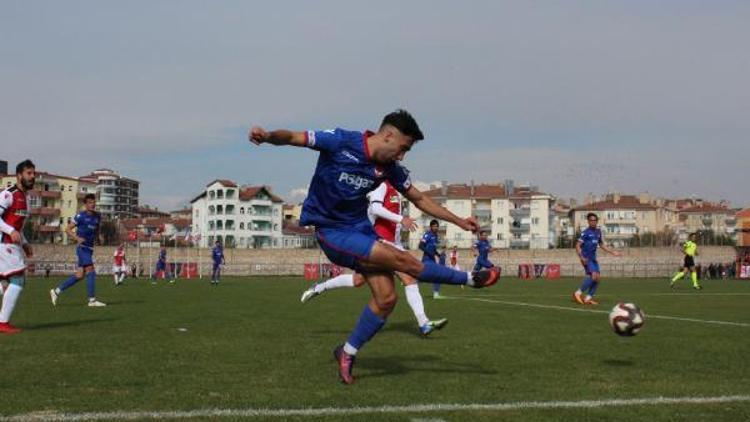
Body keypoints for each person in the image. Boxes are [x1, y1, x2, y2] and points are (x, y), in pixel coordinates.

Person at [248, 109, 499, 384]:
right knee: (404, 261)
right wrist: (269, 136)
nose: (402, 156)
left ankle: (346, 352)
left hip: (360, 230)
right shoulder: (340, 141)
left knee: (387, 298)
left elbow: (420, 200)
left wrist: (460, 221)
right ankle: (472, 279)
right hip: (332, 231)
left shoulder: (390, 169)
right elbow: (295, 137)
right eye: (402, 149)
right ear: (388, 135)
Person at [301, 181, 448, 336]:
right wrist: (400, 219)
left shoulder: (394, 189)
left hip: (392, 243)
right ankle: (423, 323)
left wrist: (399, 228)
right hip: (381, 242)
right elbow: (375, 208)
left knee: (358, 280)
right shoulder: (382, 185)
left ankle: (319, 287)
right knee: (408, 277)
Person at [50, 194, 106, 307]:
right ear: (85, 204)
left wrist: (99, 236)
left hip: (90, 248)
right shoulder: (80, 216)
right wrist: (77, 238)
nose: (93, 204)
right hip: (82, 248)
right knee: (90, 270)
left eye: (94, 202)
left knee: (80, 275)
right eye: (90, 202)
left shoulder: (97, 216)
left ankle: (56, 291)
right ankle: (92, 300)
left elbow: (97, 228)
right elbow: (67, 229)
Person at [0, 160, 36, 333]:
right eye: (29, 173)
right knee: (18, 279)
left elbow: (18, 228)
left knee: (6, 284)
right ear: (19, 175)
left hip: (11, 244)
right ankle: (2, 323)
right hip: (3, 243)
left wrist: (26, 243)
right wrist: (10, 230)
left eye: (33, 173)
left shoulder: (27, 199)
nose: (32, 176)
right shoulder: (9, 194)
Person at [572, 213, 622, 305]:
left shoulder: (598, 232)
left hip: (593, 258)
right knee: (593, 275)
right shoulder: (585, 232)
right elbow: (577, 245)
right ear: (588, 221)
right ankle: (577, 293)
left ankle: (588, 298)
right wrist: (582, 257)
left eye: (595, 220)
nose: (593, 222)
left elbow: (601, 244)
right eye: (591, 220)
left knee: (598, 278)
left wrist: (612, 252)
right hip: (586, 258)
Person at [420, 220, 442, 299]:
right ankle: (412, 290)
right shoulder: (427, 235)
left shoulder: (436, 236)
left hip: (432, 259)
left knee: (438, 275)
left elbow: (433, 249)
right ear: (431, 227)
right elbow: (421, 246)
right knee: (421, 277)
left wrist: (438, 254)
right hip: (426, 259)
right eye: (434, 226)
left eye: (437, 226)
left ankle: (436, 293)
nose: (436, 228)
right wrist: (430, 253)